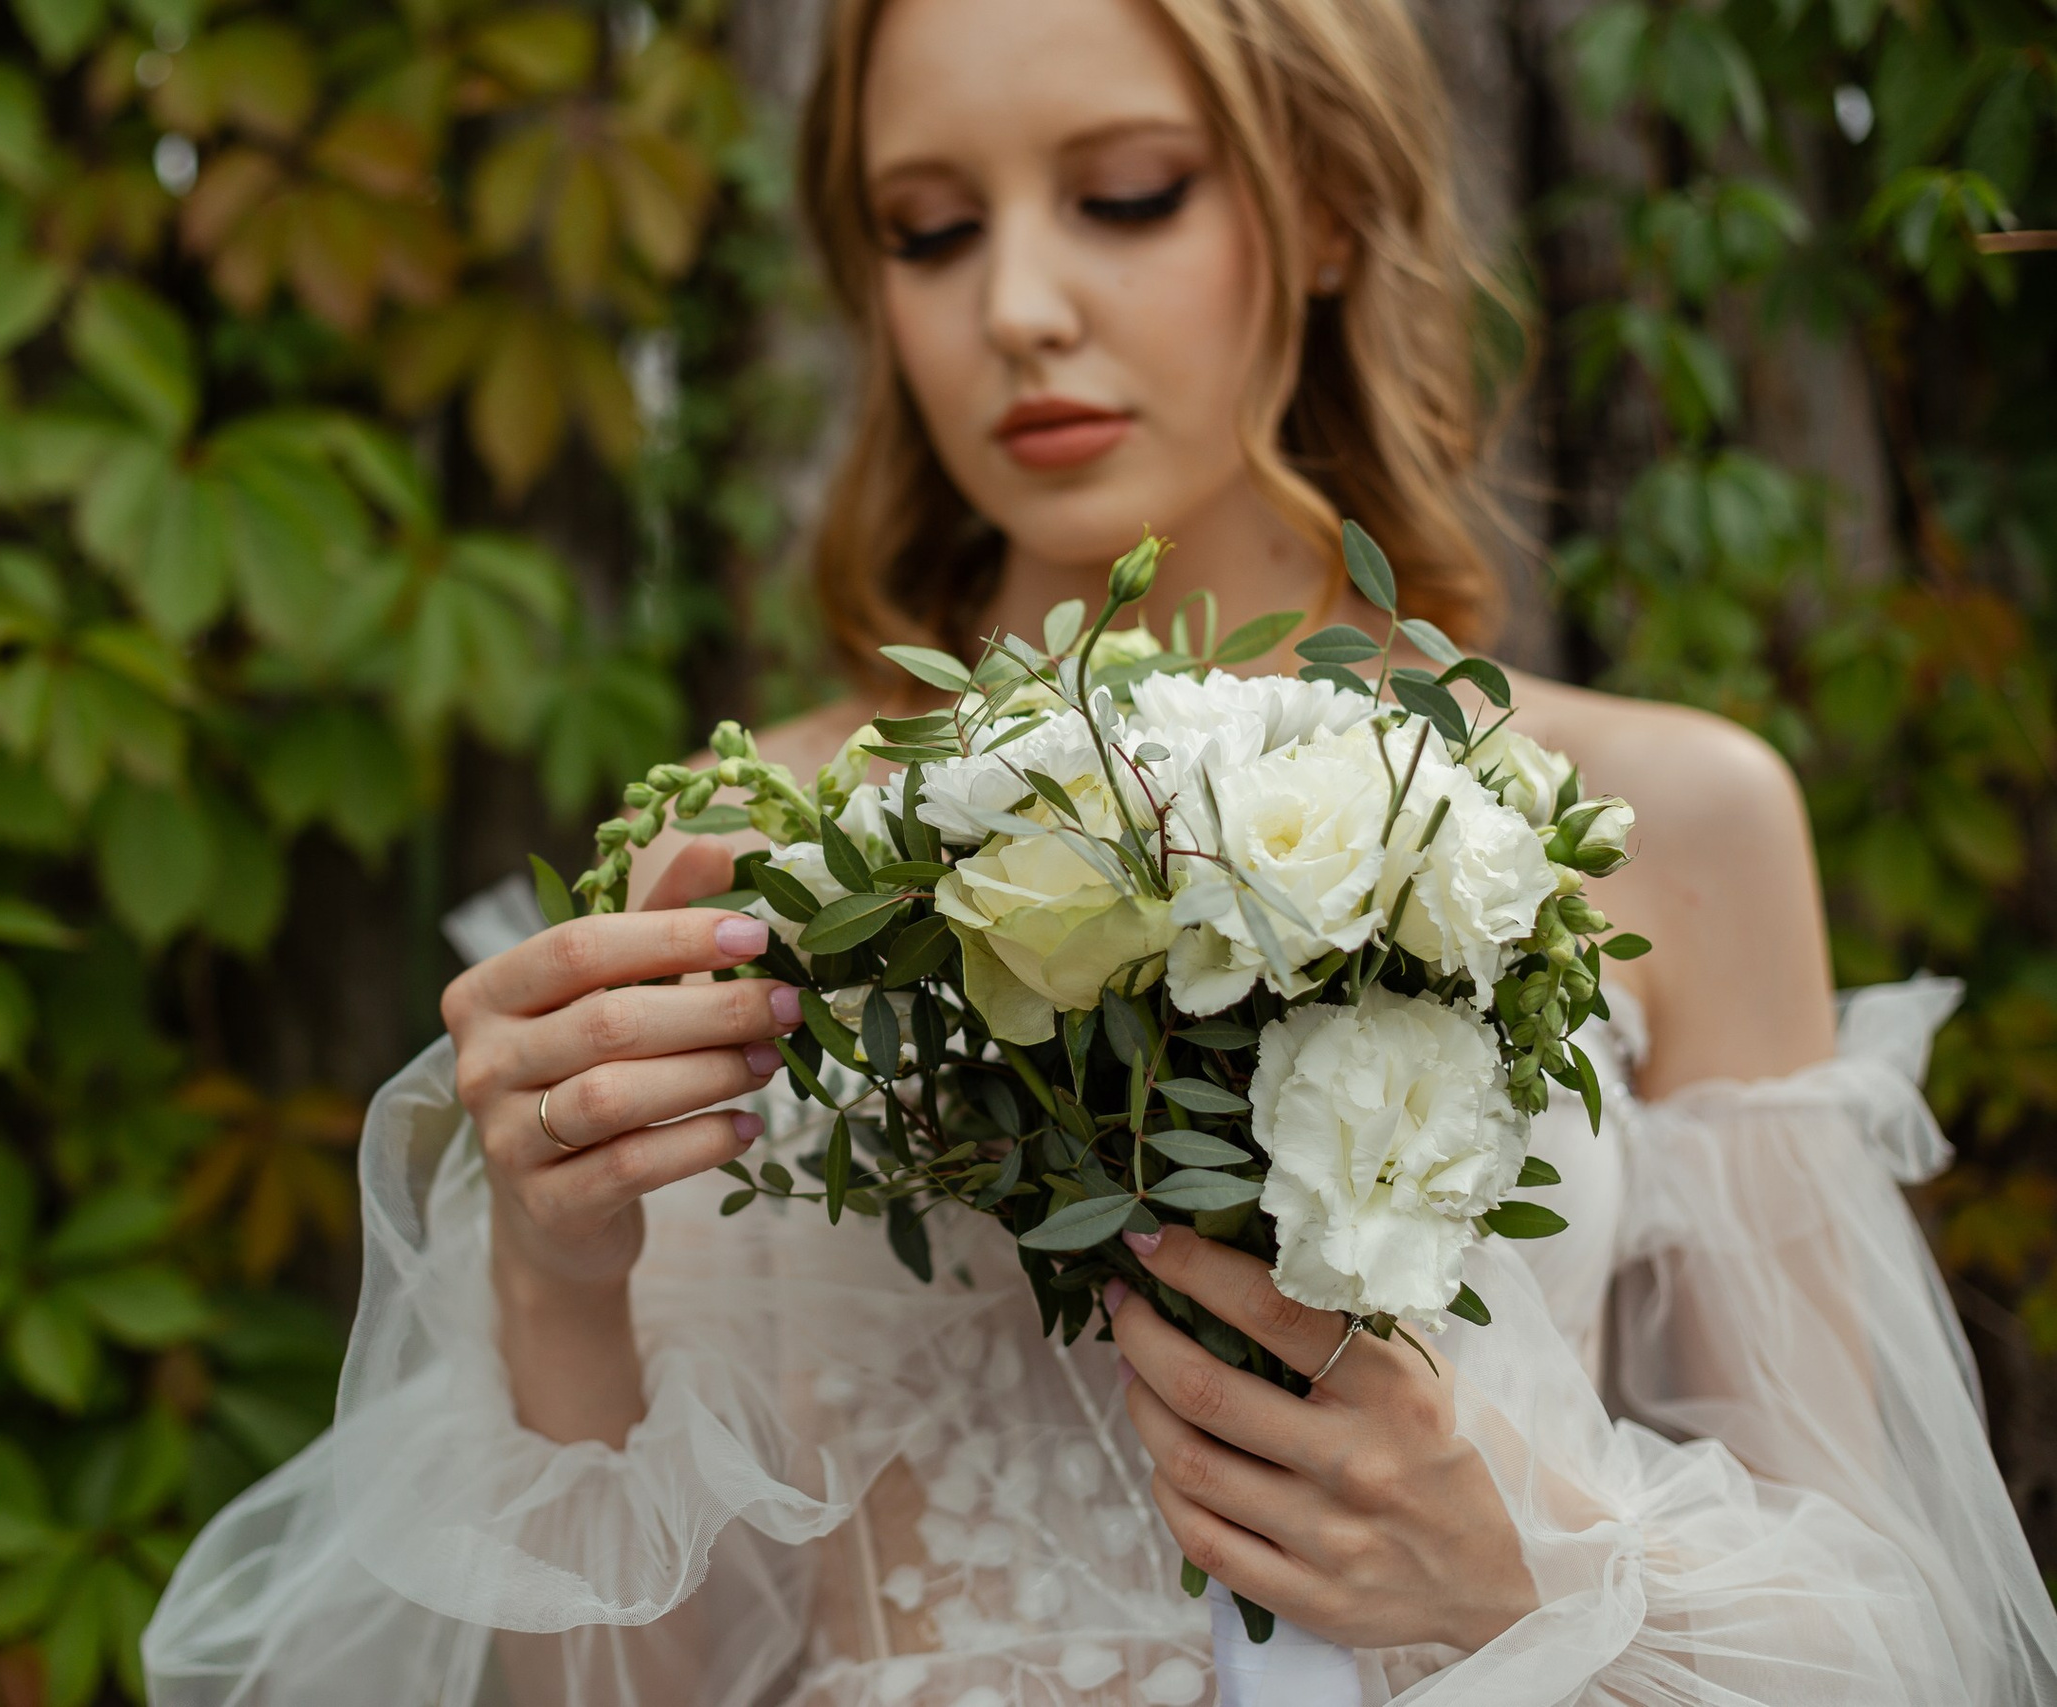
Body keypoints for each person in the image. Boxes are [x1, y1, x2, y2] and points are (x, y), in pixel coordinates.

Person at [143, 0, 2057, 1701]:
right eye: (930, 229)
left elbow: (1886, 1652)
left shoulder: (1671, 824)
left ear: (1325, 206)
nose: (1019, 308)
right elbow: (632, 1684)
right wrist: (559, 1275)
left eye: (1127, 195)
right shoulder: (761, 856)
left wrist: (1523, 1568)